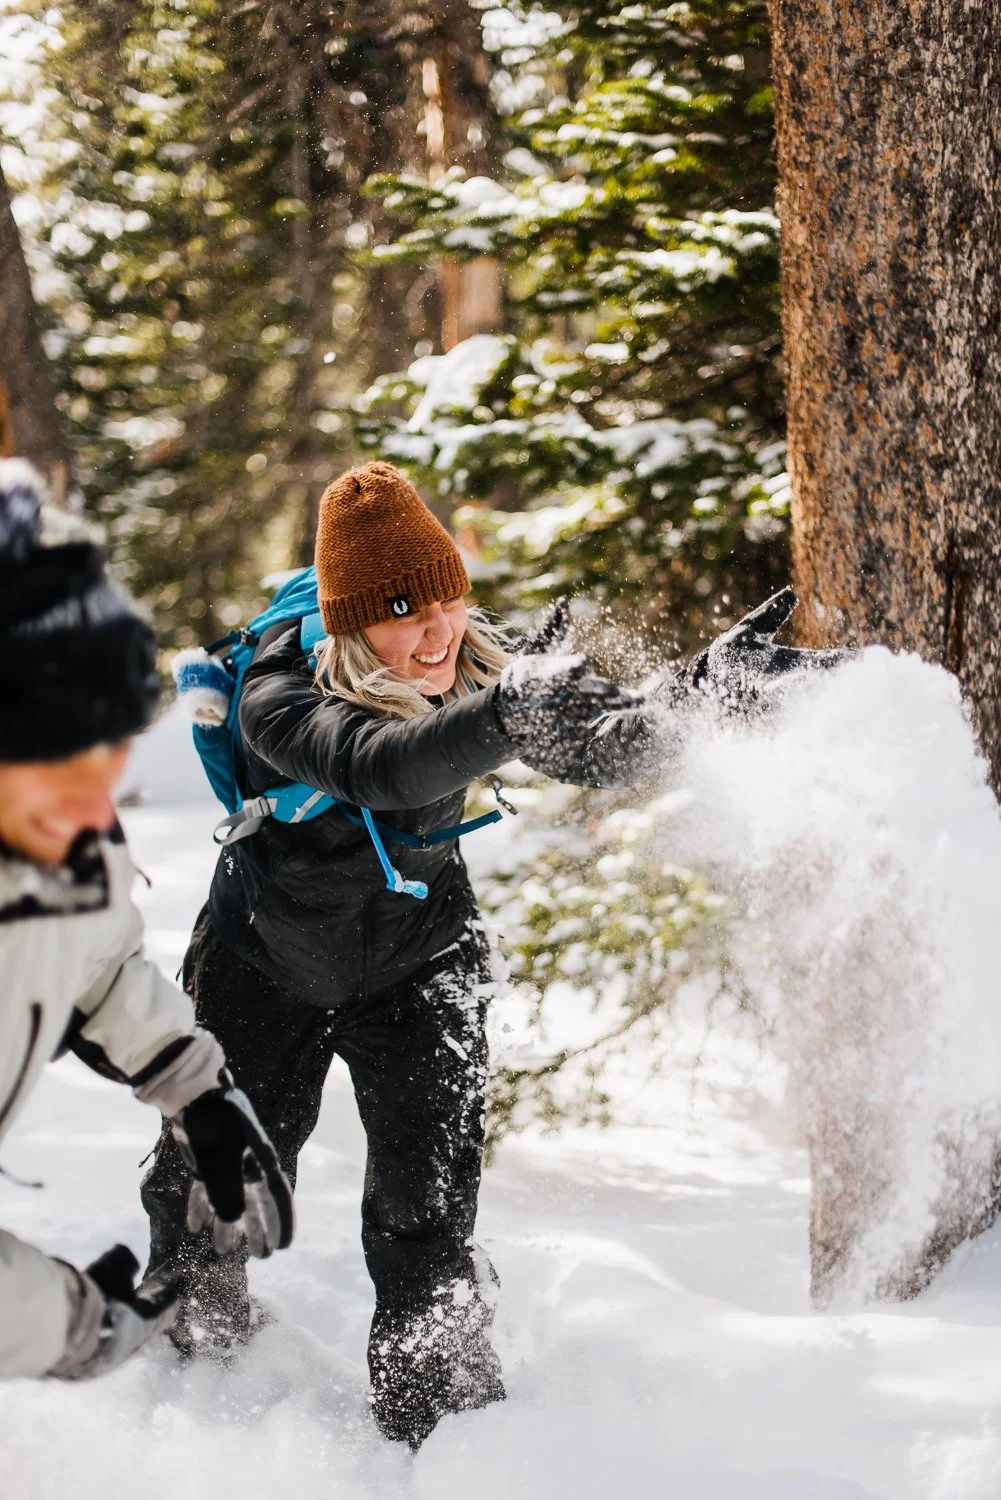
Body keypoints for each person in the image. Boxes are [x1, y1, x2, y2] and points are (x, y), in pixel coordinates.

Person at [141, 461, 844, 1445]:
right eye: (402, 614)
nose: (437, 634)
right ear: (348, 624)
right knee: (217, 1184)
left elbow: (605, 740)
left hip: (419, 965)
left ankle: (447, 1428)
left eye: (446, 601)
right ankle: (184, 1365)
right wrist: (506, 713)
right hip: (264, 962)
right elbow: (378, 765)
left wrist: (699, 691)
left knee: (423, 1218)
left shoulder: (476, 653)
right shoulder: (278, 691)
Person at [0, 460, 294, 1383]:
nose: (94, 800)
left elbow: (91, 953)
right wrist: (66, 1325)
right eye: (52, 752)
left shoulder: (51, 828)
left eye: (108, 749)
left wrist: (197, 1090)